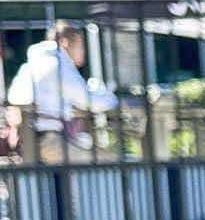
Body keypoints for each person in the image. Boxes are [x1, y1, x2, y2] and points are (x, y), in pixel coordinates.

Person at [4, 22, 119, 164]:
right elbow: (88, 102)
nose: (83, 51)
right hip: (51, 142)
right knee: (109, 161)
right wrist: (113, 99)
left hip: (29, 142)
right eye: (80, 45)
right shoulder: (58, 64)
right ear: (64, 42)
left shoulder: (32, 63)